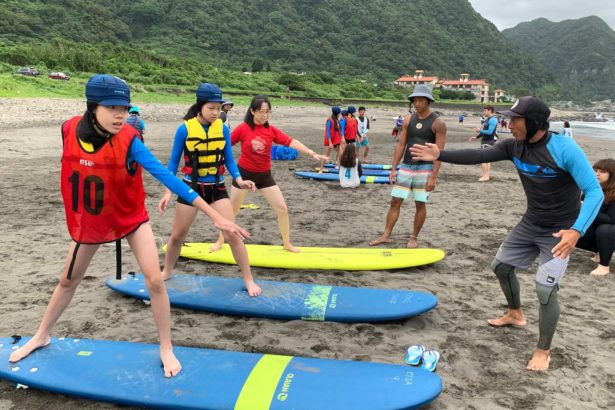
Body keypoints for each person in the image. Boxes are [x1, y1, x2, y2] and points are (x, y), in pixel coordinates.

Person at [7, 75, 249, 378]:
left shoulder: (130, 141)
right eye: (112, 108)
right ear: (93, 106)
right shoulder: (68, 128)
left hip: (132, 218)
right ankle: (42, 334)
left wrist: (213, 214)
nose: (121, 115)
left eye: (124, 108)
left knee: (155, 281)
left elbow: (166, 175)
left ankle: (165, 346)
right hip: (92, 221)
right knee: (67, 280)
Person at [410, 96, 604, 371]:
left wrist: (576, 231)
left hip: (559, 231)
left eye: (515, 119)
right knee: (500, 267)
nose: (508, 124)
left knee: (545, 289)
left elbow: (594, 190)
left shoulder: (565, 149)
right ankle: (515, 313)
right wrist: (440, 155)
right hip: (531, 222)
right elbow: (479, 155)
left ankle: (543, 350)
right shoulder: (514, 146)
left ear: (534, 122)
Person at [158, 83, 261, 296]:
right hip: (190, 188)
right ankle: (167, 271)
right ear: (200, 106)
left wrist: (240, 180)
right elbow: (172, 163)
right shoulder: (184, 129)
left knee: (232, 233)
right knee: (177, 235)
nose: (216, 113)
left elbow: (230, 161)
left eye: (219, 108)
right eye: (211, 108)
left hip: (216, 187)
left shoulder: (222, 128)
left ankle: (248, 279)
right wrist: (168, 191)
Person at [210, 94, 328, 253]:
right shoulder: (243, 128)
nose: (265, 115)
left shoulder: (271, 130)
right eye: (261, 111)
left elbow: (291, 141)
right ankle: (220, 241)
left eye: (267, 111)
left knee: (282, 208)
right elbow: (224, 145)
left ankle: (286, 243)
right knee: (232, 211)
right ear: (252, 111)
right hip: (243, 175)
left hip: (264, 176)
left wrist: (311, 153)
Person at [369, 84, 446, 248]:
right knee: (395, 201)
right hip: (406, 166)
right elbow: (401, 145)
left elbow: (439, 153)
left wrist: (433, 177)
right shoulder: (408, 120)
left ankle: (414, 237)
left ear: (428, 101)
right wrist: (393, 168)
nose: (417, 103)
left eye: (420, 100)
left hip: (425, 168)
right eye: (414, 100)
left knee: (420, 203)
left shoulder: (438, 123)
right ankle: (386, 235)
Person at [576, 158, 615, 276]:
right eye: (595, 170)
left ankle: (604, 266)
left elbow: (611, 219)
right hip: (603, 230)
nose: (597, 173)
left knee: (604, 229)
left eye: (602, 171)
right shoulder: (591, 190)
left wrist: (587, 208)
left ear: (612, 175)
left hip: (610, 229)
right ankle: (599, 251)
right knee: (570, 227)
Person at [469, 106, 498, 181]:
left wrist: (479, 131)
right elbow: (484, 131)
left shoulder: (493, 120)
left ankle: (485, 176)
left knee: (484, 159)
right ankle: (486, 176)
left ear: (490, 111)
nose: (484, 112)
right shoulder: (487, 120)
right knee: (487, 160)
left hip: (488, 142)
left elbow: (489, 132)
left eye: (485, 110)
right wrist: (477, 137)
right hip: (485, 141)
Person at [319, 106, 343, 172]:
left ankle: (338, 165)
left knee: (341, 153)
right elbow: (328, 131)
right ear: (336, 113)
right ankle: (321, 169)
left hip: (336, 139)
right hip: (329, 140)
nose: (340, 114)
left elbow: (339, 129)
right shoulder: (329, 120)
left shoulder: (337, 120)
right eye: (339, 113)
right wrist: (330, 142)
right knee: (326, 155)